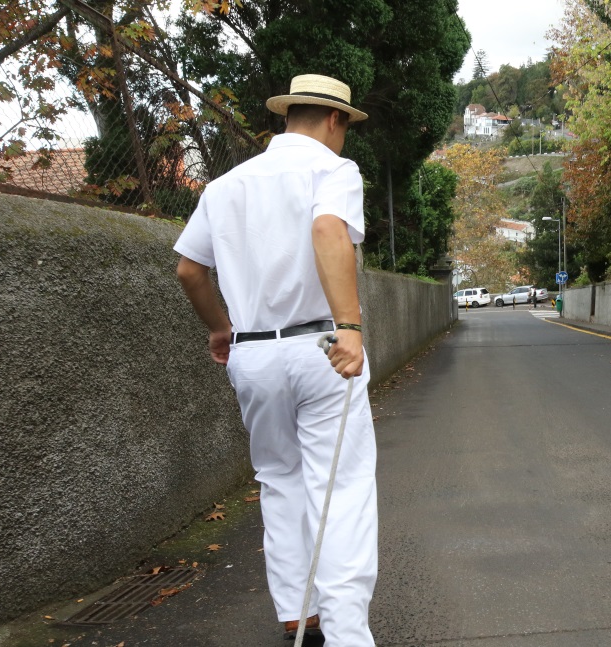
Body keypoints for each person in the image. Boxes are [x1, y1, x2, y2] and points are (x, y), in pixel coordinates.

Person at [173, 74, 377, 646]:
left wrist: (221, 329)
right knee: (340, 486)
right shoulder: (332, 171)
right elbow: (327, 230)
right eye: (346, 129)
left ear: (291, 115)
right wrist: (351, 327)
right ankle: (347, 634)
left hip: (253, 354)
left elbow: (190, 269)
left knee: (280, 480)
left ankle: (297, 611)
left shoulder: (225, 185)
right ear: (335, 119)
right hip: (322, 349)